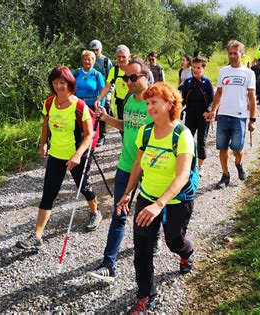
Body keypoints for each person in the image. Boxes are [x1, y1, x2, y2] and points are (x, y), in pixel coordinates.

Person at [117, 82, 196, 313]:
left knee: (173, 240)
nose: (149, 107)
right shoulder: (146, 131)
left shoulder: (183, 135)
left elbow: (182, 176)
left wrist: (159, 205)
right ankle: (145, 294)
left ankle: (186, 252)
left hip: (176, 199)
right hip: (147, 197)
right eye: (148, 102)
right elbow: (138, 166)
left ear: (170, 103)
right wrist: (128, 193)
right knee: (142, 248)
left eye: (154, 102)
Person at [87, 57, 162, 283]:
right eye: (125, 77)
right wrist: (106, 118)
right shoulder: (128, 98)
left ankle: (157, 236)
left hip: (151, 169)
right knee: (119, 215)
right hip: (126, 165)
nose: (127, 82)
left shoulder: (156, 101)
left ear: (145, 76)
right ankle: (109, 264)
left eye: (132, 77)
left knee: (150, 214)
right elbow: (126, 125)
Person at [15, 66, 100, 250]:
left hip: (76, 155)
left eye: (62, 82)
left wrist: (77, 155)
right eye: (55, 83)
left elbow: (89, 135)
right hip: (56, 156)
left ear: (70, 83)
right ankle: (37, 237)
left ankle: (95, 212)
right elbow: (45, 124)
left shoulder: (79, 106)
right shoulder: (49, 103)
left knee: (83, 187)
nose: (58, 86)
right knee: (48, 195)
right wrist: (43, 143)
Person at [204, 40, 256, 189]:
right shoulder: (223, 71)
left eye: (236, 53)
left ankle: (239, 164)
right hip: (223, 115)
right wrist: (213, 110)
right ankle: (225, 176)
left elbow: (252, 98)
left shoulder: (248, 73)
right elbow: (219, 92)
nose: (233, 56)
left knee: (237, 149)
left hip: (239, 116)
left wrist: (252, 120)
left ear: (242, 54)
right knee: (222, 148)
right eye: (230, 53)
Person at [181, 56, 214, 176]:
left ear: (203, 68)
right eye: (194, 67)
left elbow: (213, 100)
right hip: (190, 115)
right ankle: (188, 165)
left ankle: (200, 166)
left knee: (201, 141)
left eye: (198, 68)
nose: (195, 70)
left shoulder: (207, 83)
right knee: (187, 141)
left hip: (203, 117)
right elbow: (183, 99)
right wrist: (176, 108)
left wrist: (209, 110)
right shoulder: (188, 82)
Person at [94, 45, 130, 122]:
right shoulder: (114, 70)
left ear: (128, 57)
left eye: (123, 57)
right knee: (121, 124)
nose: (121, 59)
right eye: (119, 57)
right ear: (116, 57)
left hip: (132, 100)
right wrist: (99, 99)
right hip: (120, 101)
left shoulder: (133, 69)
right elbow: (107, 86)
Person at [89, 39, 113, 146]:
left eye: (96, 50)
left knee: (103, 111)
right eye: (92, 50)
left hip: (104, 90)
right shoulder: (89, 60)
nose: (94, 52)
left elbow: (112, 78)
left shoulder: (106, 61)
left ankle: (102, 136)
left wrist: (109, 93)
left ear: (101, 49)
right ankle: (91, 134)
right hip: (92, 91)